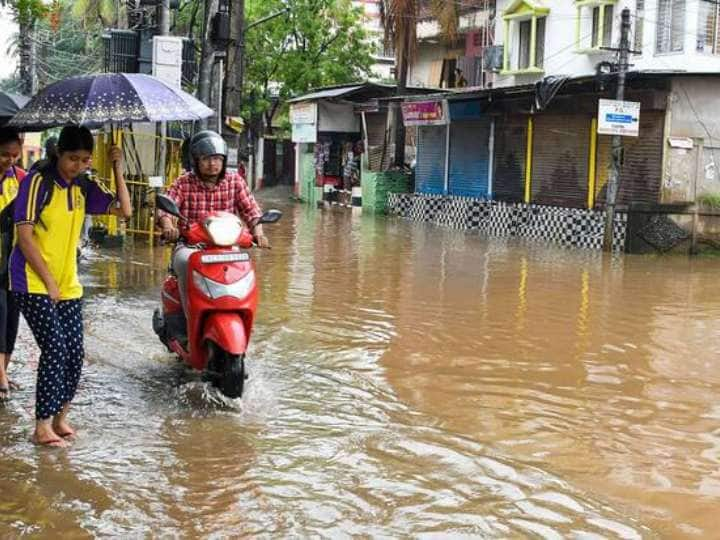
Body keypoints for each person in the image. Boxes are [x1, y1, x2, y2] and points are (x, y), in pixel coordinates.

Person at [10, 125, 132, 447]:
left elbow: (125, 210)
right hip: (31, 281)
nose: (78, 165)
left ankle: (61, 417)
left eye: (85, 159)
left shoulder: (84, 186)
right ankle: (42, 426)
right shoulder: (38, 182)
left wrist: (118, 167)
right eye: (72, 159)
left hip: (68, 284)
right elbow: (24, 236)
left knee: (75, 353)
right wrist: (48, 280)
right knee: (55, 348)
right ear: (58, 155)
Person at [157, 130, 268, 248]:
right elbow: (166, 208)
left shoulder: (235, 181)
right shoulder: (183, 182)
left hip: (227, 244)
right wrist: (168, 227)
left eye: (217, 158)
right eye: (205, 159)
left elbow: (251, 211)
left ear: (223, 160)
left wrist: (258, 233)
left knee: (245, 264)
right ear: (196, 161)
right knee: (181, 261)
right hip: (189, 246)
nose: (212, 164)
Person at [0, 127, 25, 401]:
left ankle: (3, 372)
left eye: (14, 156)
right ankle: (1, 378)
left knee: (12, 321)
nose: (10, 160)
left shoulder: (21, 179)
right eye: (4, 155)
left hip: (15, 261)